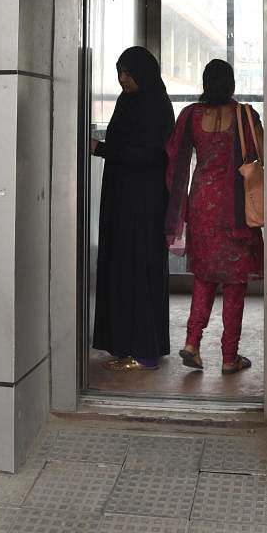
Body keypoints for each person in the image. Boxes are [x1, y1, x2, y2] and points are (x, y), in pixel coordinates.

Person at [165, 59, 263, 374]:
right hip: (235, 206)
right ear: (231, 83)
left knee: (205, 277)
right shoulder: (243, 115)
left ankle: (192, 343)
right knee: (235, 283)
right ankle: (229, 357)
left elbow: (173, 156)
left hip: (202, 203)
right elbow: (264, 151)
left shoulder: (191, 115)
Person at [91, 46, 175, 370]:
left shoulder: (157, 106)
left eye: (127, 73)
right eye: (120, 72)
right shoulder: (127, 101)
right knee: (122, 268)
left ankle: (144, 350)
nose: (122, 79)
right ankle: (123, 343)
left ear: (143, 72)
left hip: (145, 202)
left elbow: (151, 155)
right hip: (122, 198)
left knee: (140, 269)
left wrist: (102, 150)